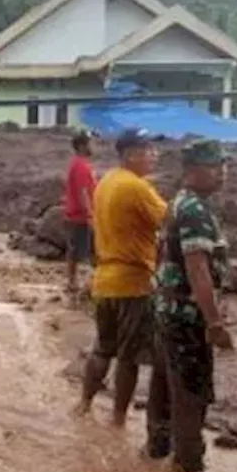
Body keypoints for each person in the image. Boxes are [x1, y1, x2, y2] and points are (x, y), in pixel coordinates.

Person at [71, 128, 168, 433]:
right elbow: (171, 221)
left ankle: (84, 405)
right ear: (130, 155)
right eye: (149, 150)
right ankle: (118, 421)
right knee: (129, 358)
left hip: (104, 281)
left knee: (102, 349)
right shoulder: (137, 187)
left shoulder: (107, 182)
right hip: (133, 283)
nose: (155, 155)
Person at [150, 139, 235, 472]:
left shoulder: (177, 203)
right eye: (215, 167)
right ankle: (187, 466)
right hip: (186, 316)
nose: (222, 173)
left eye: (223, 166)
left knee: (164, 382)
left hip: (166, 309)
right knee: (190, 391)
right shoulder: (195, 211)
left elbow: (161, 255)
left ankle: (156, 448)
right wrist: (214, 322)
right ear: (191, 172)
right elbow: (197, 268)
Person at [63, 130, 97, 295]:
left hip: (77, 214)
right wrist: (90, 215)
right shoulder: (81, 166)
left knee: (75, 250)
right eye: (91, 143)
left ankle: (73, 282)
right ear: (82, 146)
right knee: (87, 251)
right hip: (80, 216)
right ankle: (75, 282)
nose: (94, 146)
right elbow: (83, 192)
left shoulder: (78, 164)